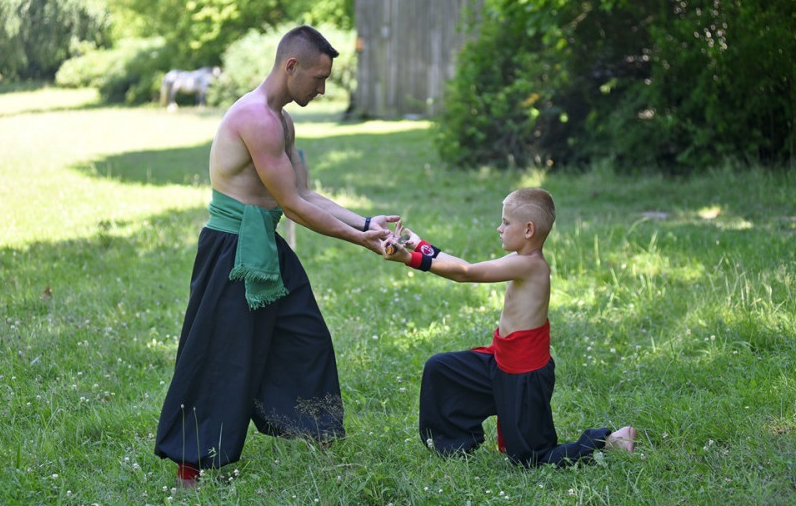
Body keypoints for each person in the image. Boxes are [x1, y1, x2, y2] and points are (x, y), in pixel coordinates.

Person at [155, 25, 398, 487]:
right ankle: (189, 465)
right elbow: (293, 207)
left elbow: (305, 192)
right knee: (219, 355)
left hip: (265, 244)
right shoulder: (256, 119)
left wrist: (367, 223)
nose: (323, 89)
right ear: (291, 67)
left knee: (306, 336)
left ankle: (319, 437)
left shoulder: (281, 119)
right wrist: (360, 240)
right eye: (319, 78)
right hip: (232, 251)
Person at [382, 188, 636, 467]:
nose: (498, 228)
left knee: (531, 459)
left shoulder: (531, 266)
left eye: (505, 222)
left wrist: (410, 259)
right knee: (441, 369)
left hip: (524, 377)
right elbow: (467, 266)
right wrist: (418, 245)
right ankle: (453, 447)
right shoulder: (519, 260)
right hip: (501, 362)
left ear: (528, 229)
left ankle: (610, 441)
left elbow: (466, 275)